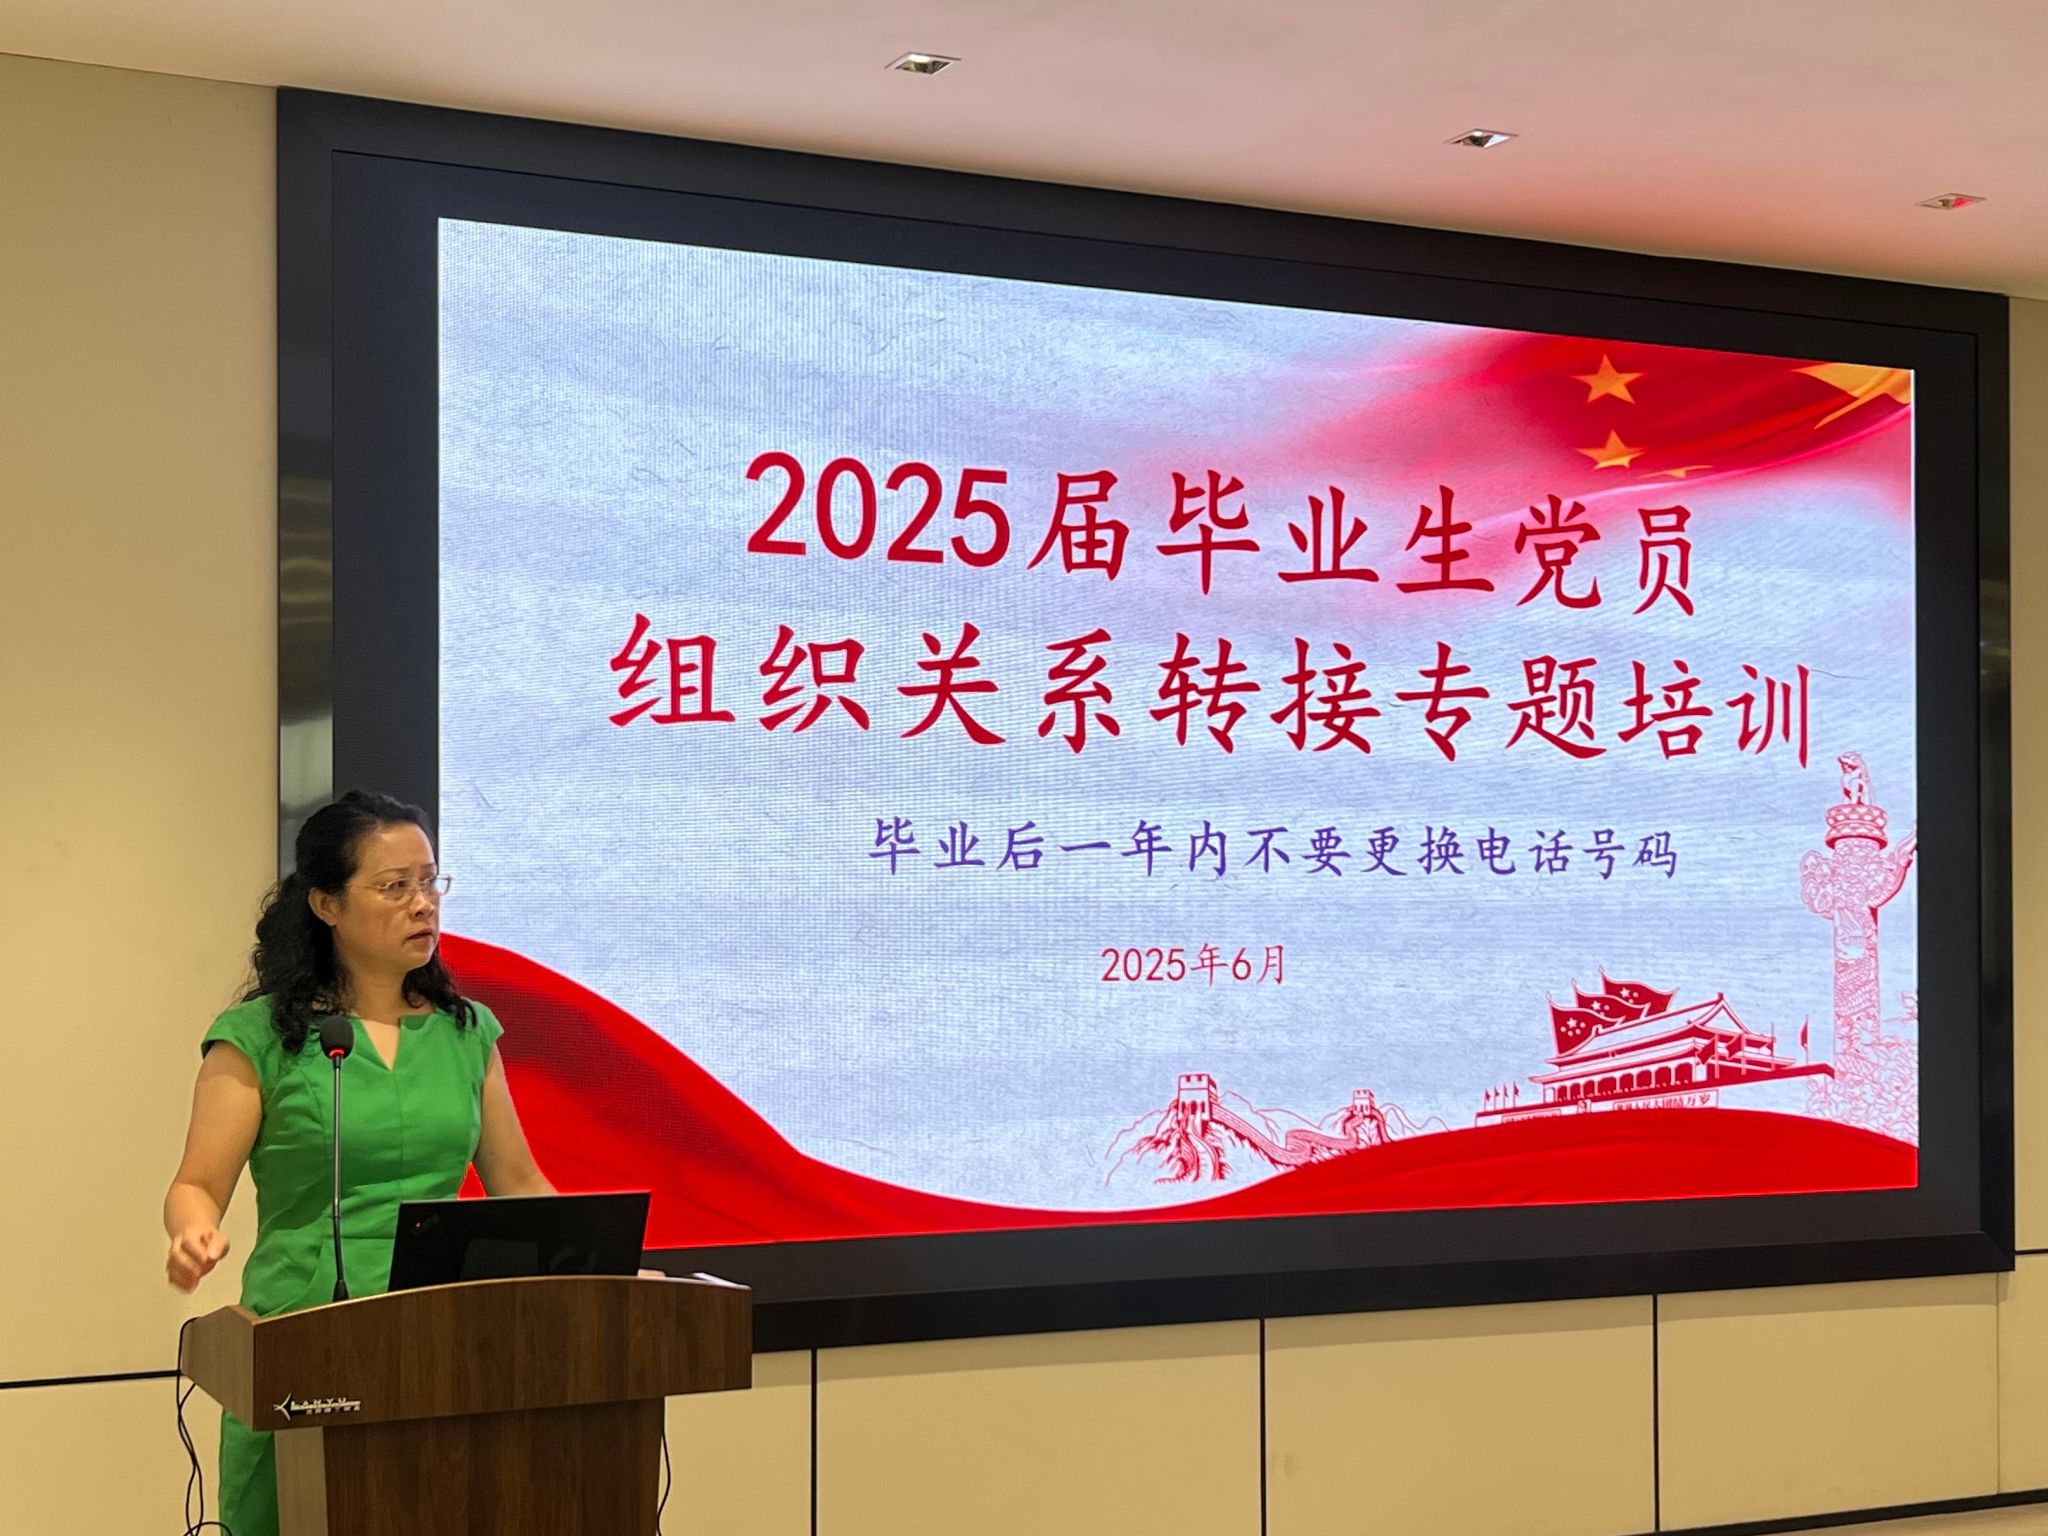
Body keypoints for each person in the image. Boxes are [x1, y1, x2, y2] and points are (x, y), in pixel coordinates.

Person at [162, 790, 553, 1536]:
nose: (423, 904)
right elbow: (196, 1185)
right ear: (327, 905)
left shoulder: (467, 1033)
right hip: (303, 1339)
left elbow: (520, 1183)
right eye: (395, 886)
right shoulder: (258, 1037)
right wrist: (192, 1232)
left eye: (430, 881)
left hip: (443, 1336)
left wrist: (601, 1267)